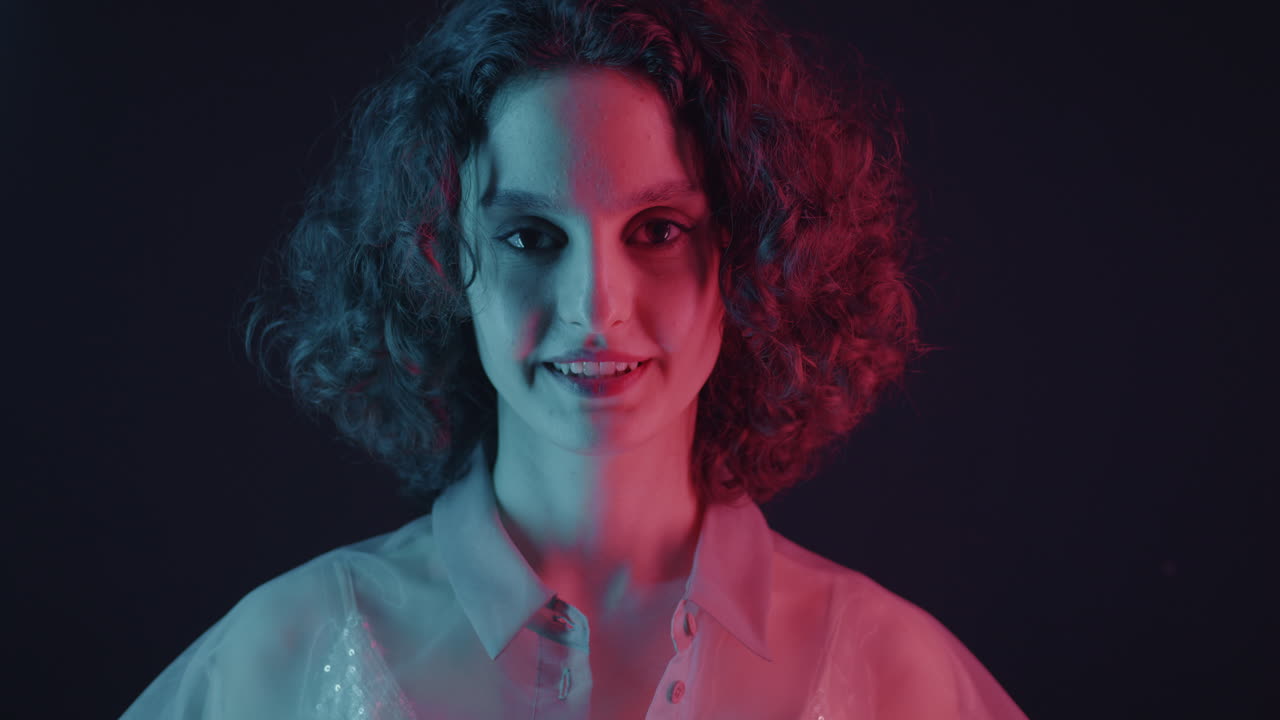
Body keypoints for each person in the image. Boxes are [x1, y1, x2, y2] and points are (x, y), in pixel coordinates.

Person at [120, 0, 1028, 717]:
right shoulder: (287, 654)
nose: (596, 306)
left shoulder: (892, 674)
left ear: (747, 259)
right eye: (529, 237)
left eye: (658, 229)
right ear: (436, 262)